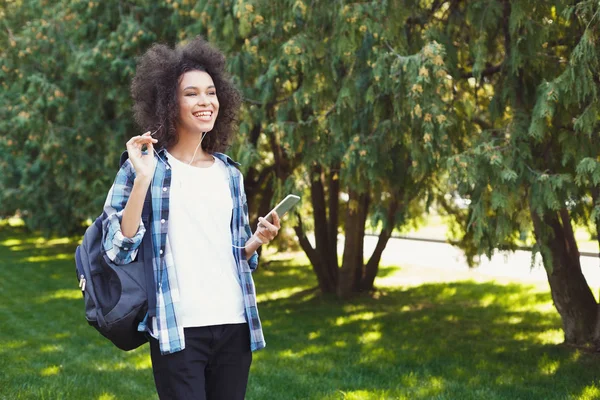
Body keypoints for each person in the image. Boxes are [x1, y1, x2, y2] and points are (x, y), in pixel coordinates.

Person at [101, 36, 280, 399]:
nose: (205, 102)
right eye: (191, 93)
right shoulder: (146, 166)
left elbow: (234, 254)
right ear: (169, 103)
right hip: (178, 326)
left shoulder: (229, 173)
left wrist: (256, 240)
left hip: (234, 322)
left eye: (211, 92)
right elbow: (118, 248)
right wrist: (143, 180)